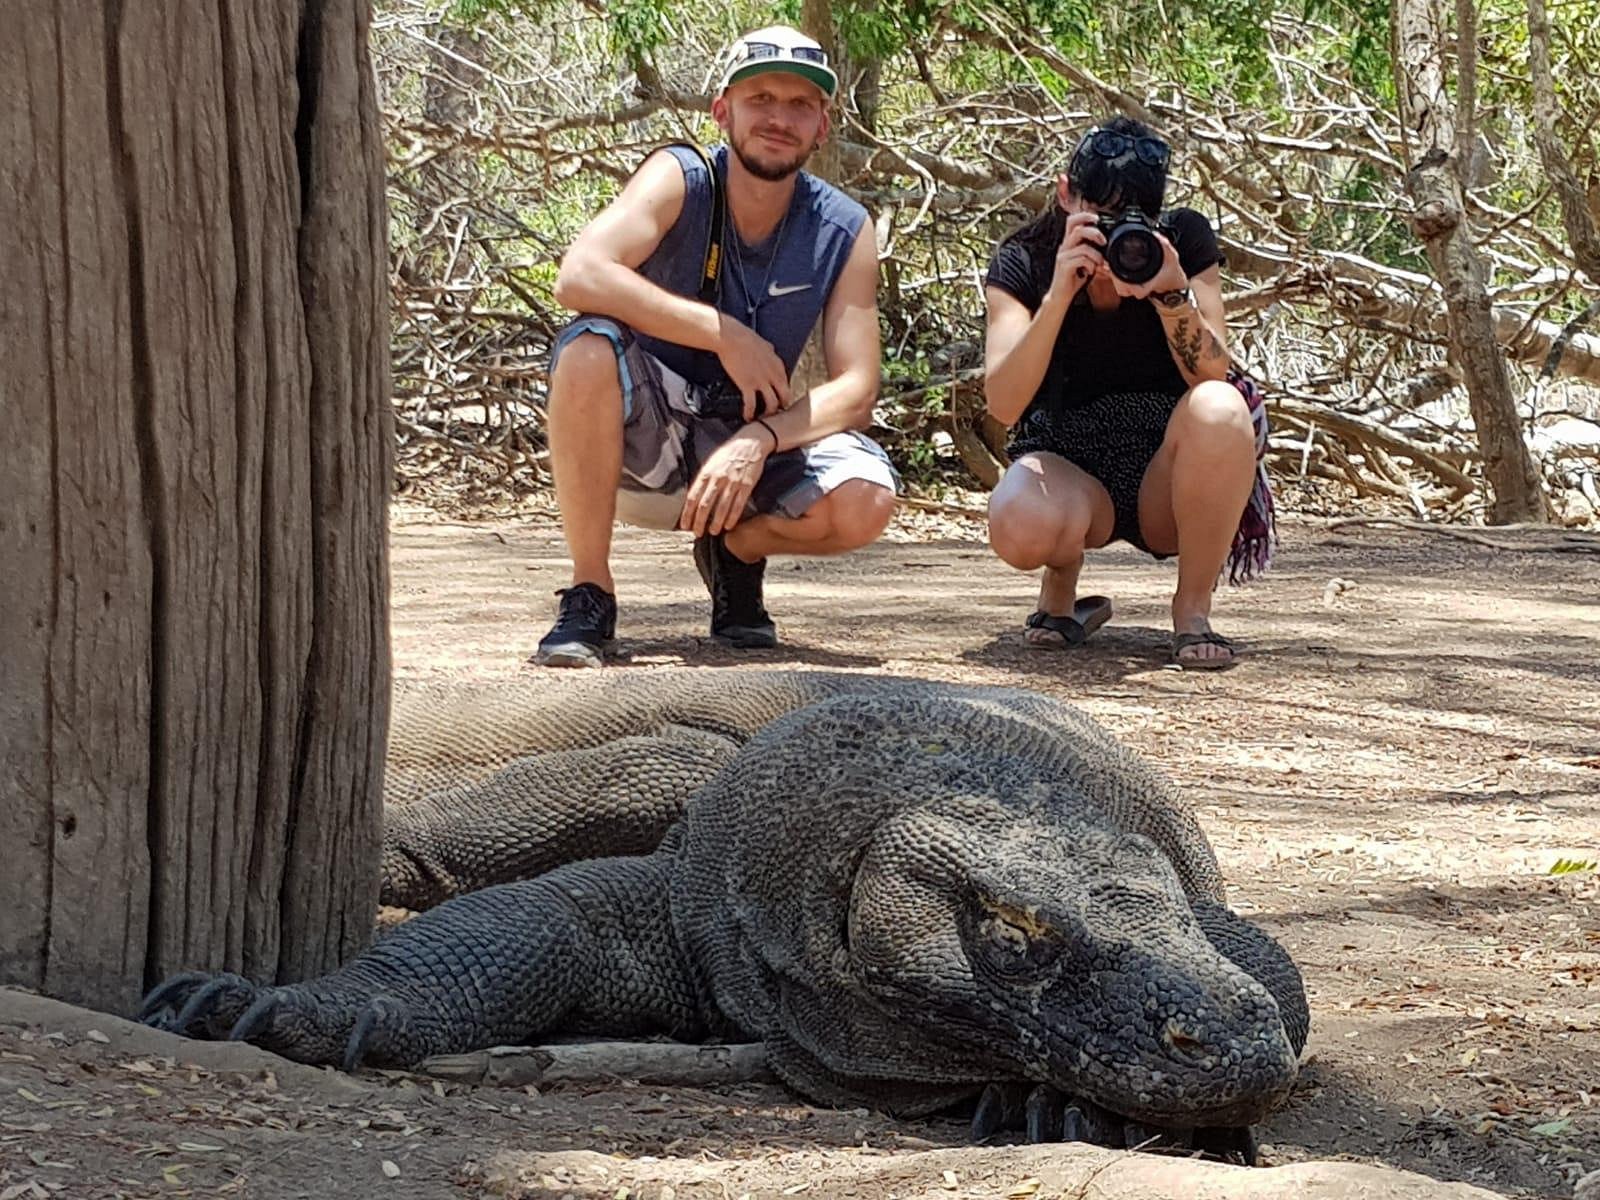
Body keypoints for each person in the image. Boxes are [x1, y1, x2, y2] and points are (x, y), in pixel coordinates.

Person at [533, 25, 898, 667]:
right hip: (642, 443)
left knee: (866, 500)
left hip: (747, 446)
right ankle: (590, 591)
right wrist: (721, 333)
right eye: (761, 99)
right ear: (723, 110)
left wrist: (759, 440)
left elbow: (857, 389)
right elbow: (579, 274)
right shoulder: (681, 177)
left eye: (799, 105)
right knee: (588, 345)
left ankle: (736, 551)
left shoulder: (845, 226)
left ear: (822, 124)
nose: (778, 119)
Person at [981, 115, 1275, 670]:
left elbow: (1214, 375)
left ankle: (1192, 609)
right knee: (1017, 520)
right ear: (1067, 195)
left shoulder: (1181, 242)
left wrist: (1171, 294)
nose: (1120, 232)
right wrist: (1060, 293)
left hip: (1166, 476)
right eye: (1104, 214)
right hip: (1069, 467)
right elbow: (1003, 403)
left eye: (1136, 217)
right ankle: (1062, 580)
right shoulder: (1025, 257)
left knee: (1221, 408)